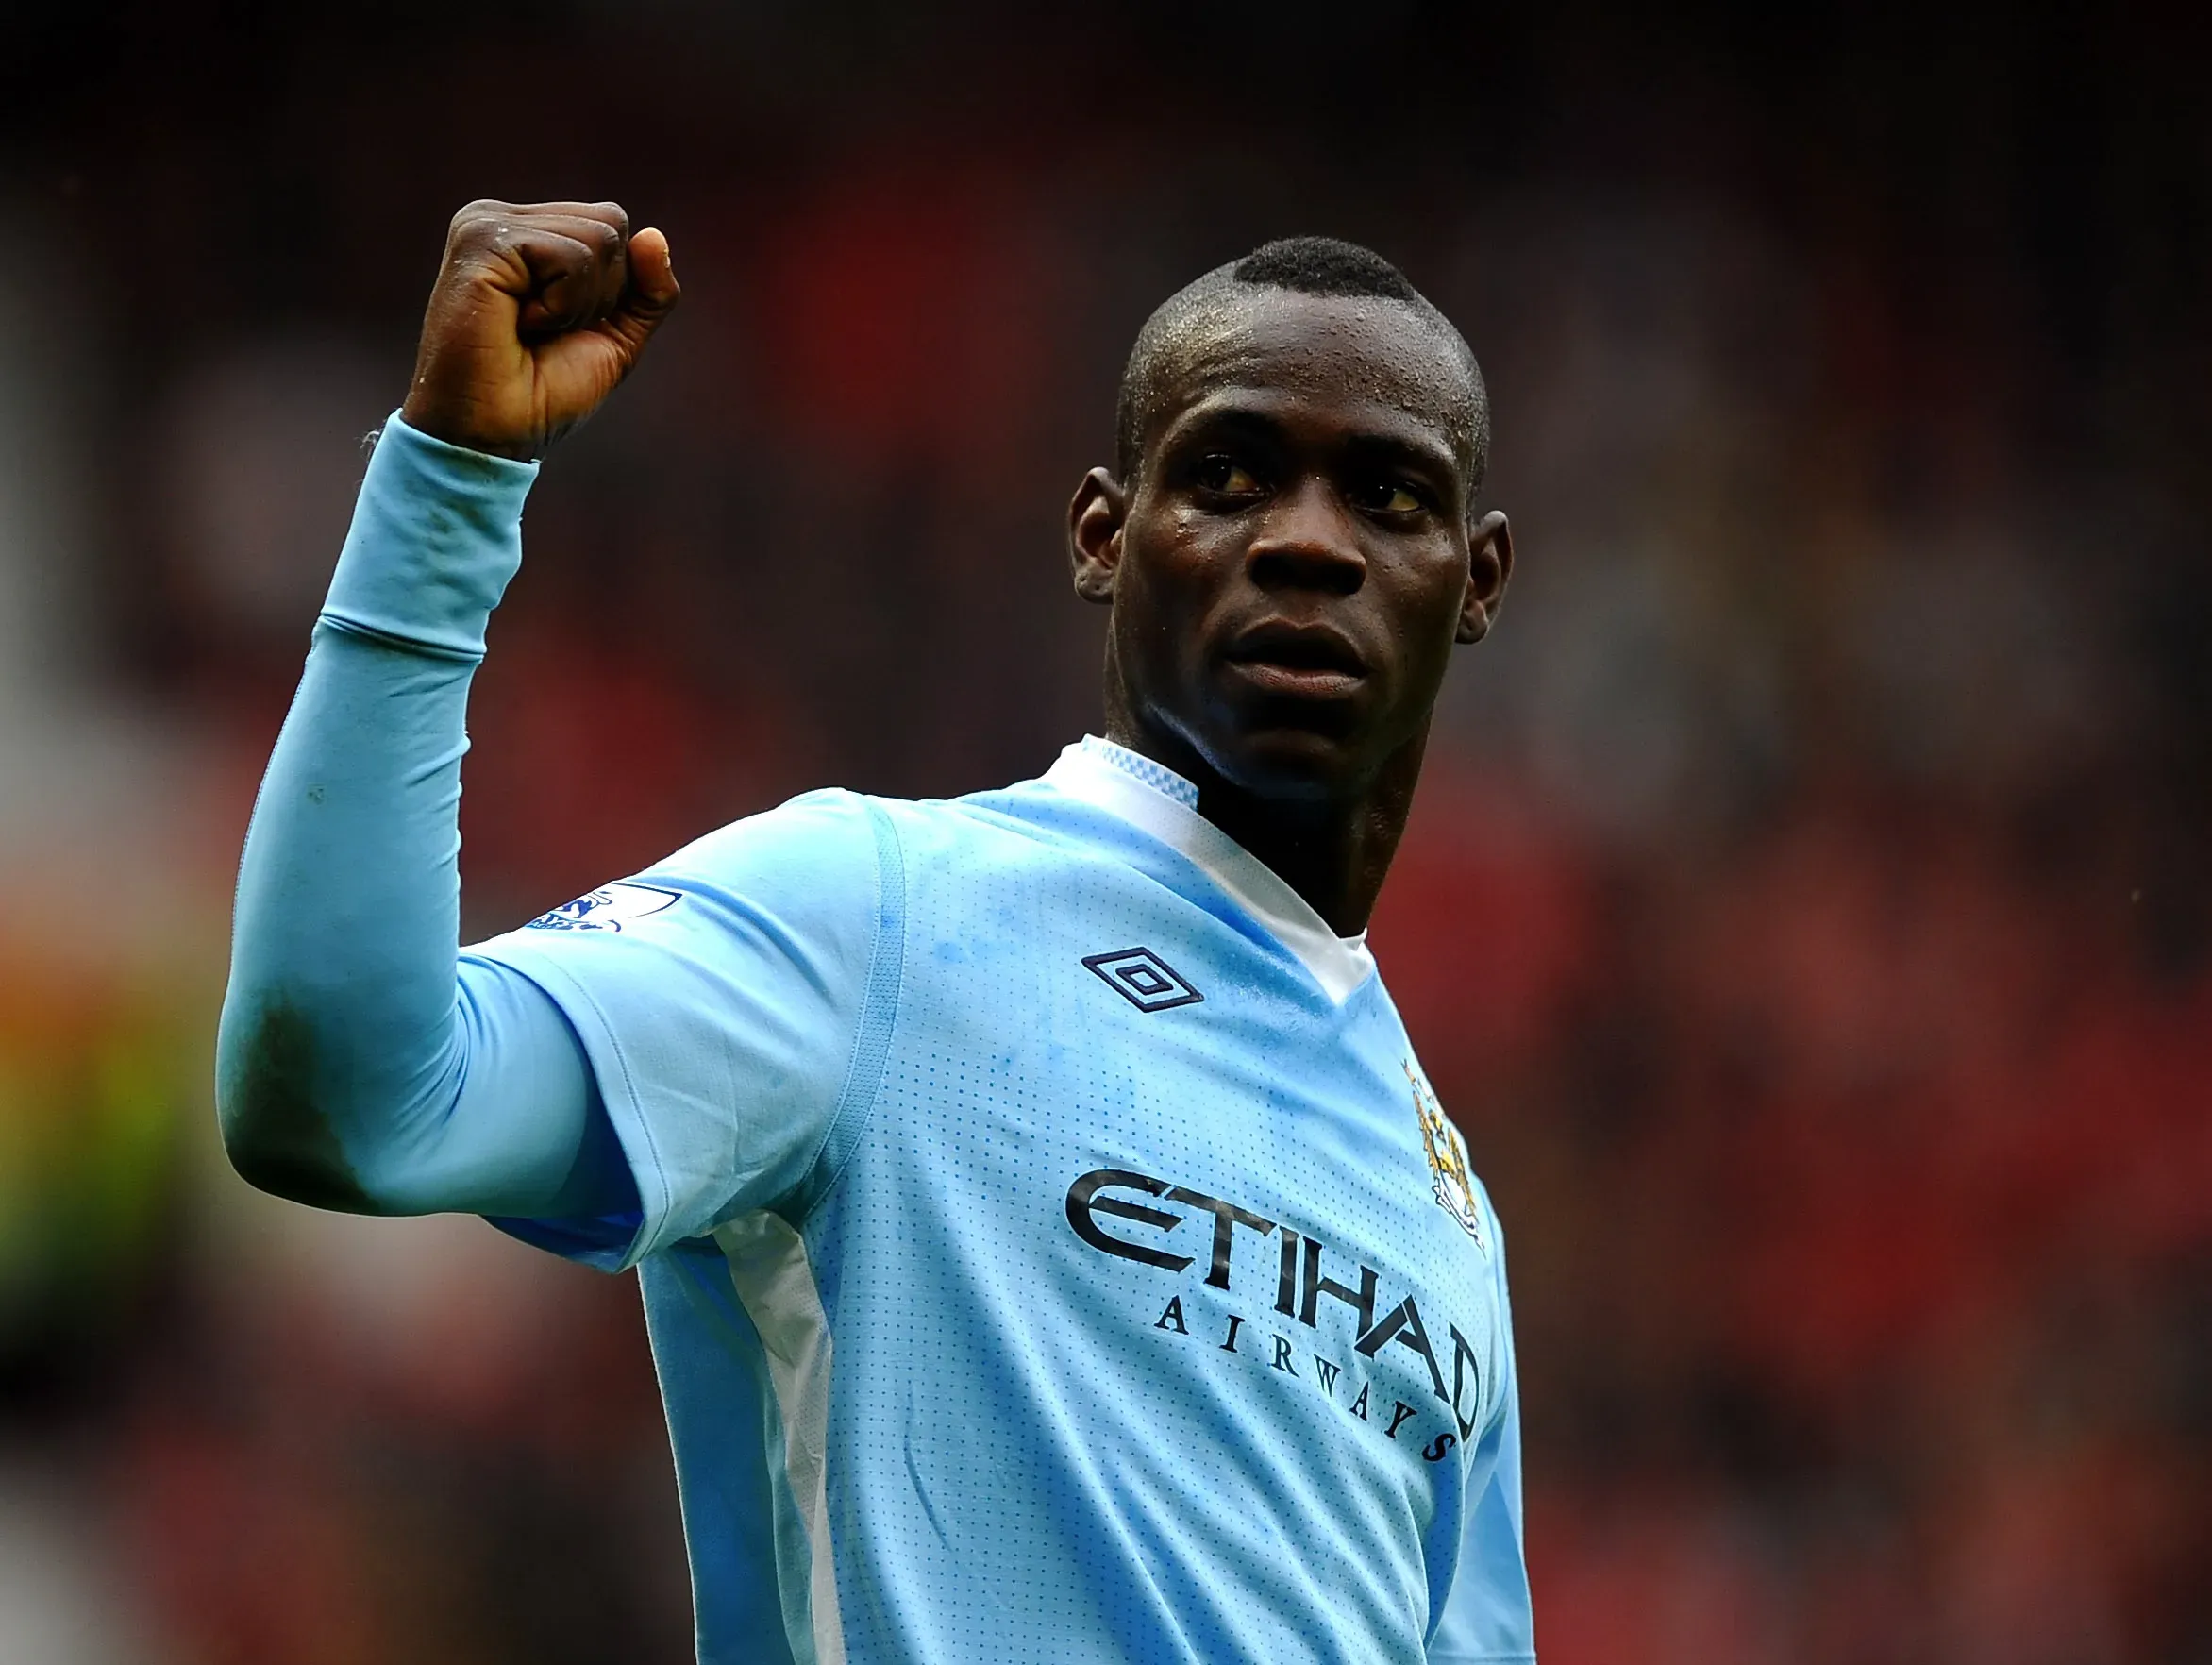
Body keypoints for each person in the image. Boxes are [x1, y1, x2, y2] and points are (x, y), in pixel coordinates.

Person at [216, 199, 1533, 1665]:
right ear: (1105, 537)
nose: (1305, 543)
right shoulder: (884, 916)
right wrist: (449, 491)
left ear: (1475, 583)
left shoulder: (1447, 1210)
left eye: (1389, 498)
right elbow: (349, 1099)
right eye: (1226, 477)